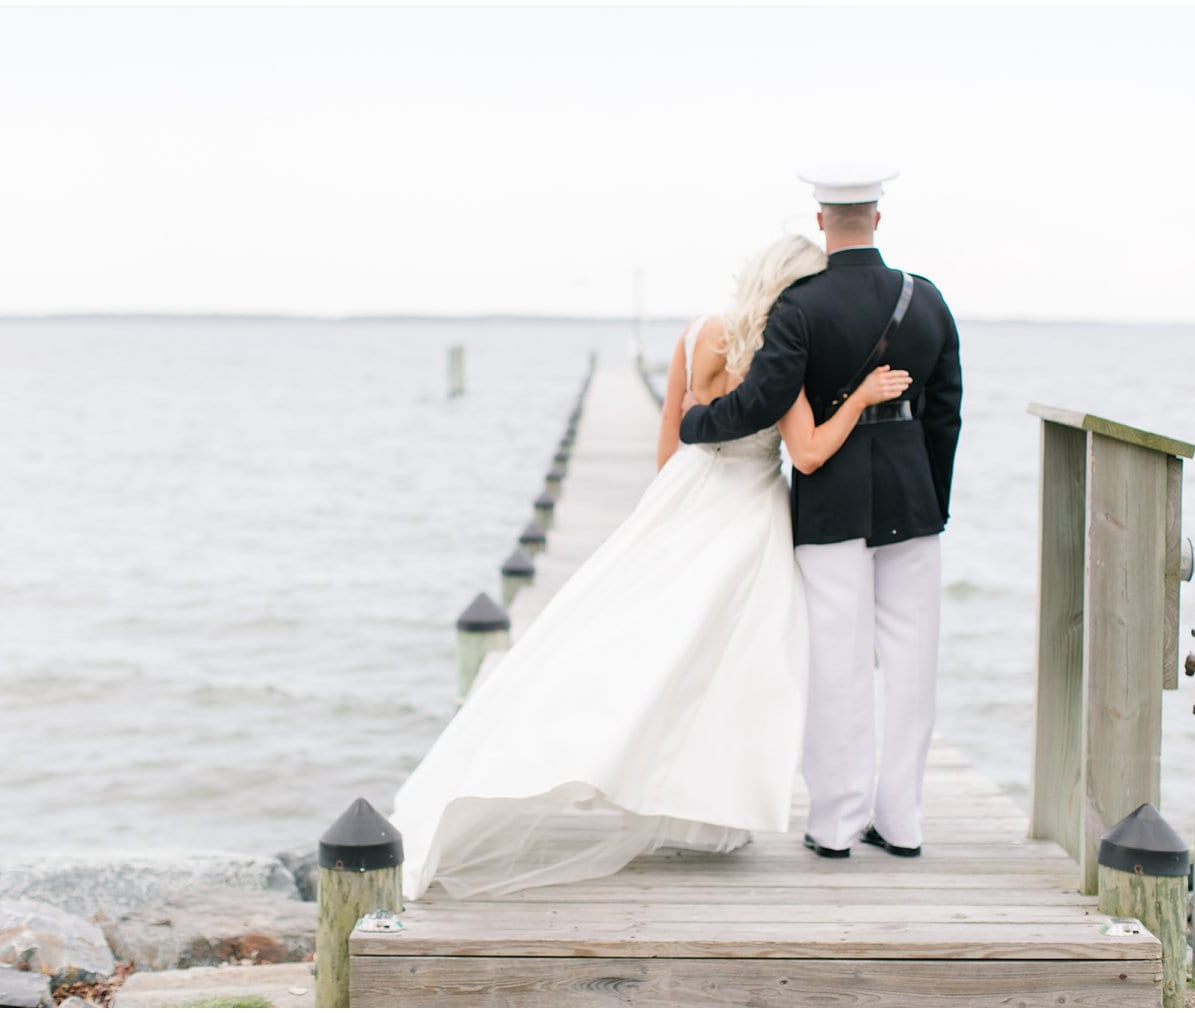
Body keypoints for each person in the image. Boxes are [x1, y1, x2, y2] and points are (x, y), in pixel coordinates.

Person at [389, 234, 912, 900]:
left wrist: (662, 510)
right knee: (739, 658)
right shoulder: (785, 351)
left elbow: (672, 426)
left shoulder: (701, 330)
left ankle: (625, 770)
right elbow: (805, 453)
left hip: (685, 492)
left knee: (638, 635)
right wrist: (862, 398)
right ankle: (703, 805)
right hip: (749, 506)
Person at [680, 166, 963, 860]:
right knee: (911, 662)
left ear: (820, 220)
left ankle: (834, 824)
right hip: (911, 498)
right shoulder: (925, 300)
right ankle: (902, 823)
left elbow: (762, 399)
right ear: (876, 217)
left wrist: (697, 422)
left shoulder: (800, 306)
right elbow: (945, 411)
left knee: (836, 664)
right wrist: (935, 500)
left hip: (833, 500)